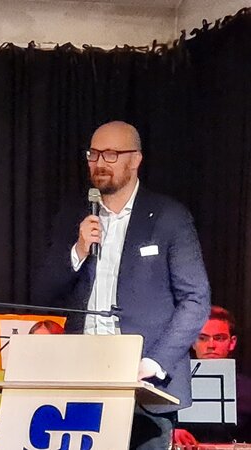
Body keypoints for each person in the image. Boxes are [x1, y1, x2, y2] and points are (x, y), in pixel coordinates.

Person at [33, 121, 211, 449]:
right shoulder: (74, 214)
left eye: (111, 154)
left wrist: (154, 362)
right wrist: (78, 250)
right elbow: (44, 292)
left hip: (144, 381)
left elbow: (196, 299)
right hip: (83, 376)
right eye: (93, 154)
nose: (100, 162)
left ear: (135, 160)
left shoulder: (168, 217)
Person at [173, 306, 251, 446]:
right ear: (193, 342)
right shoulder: (172, 385)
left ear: (232, 343)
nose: (211, 345)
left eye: (219, 338)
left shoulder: (247, 389)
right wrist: (170, 432)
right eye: (202, 338)